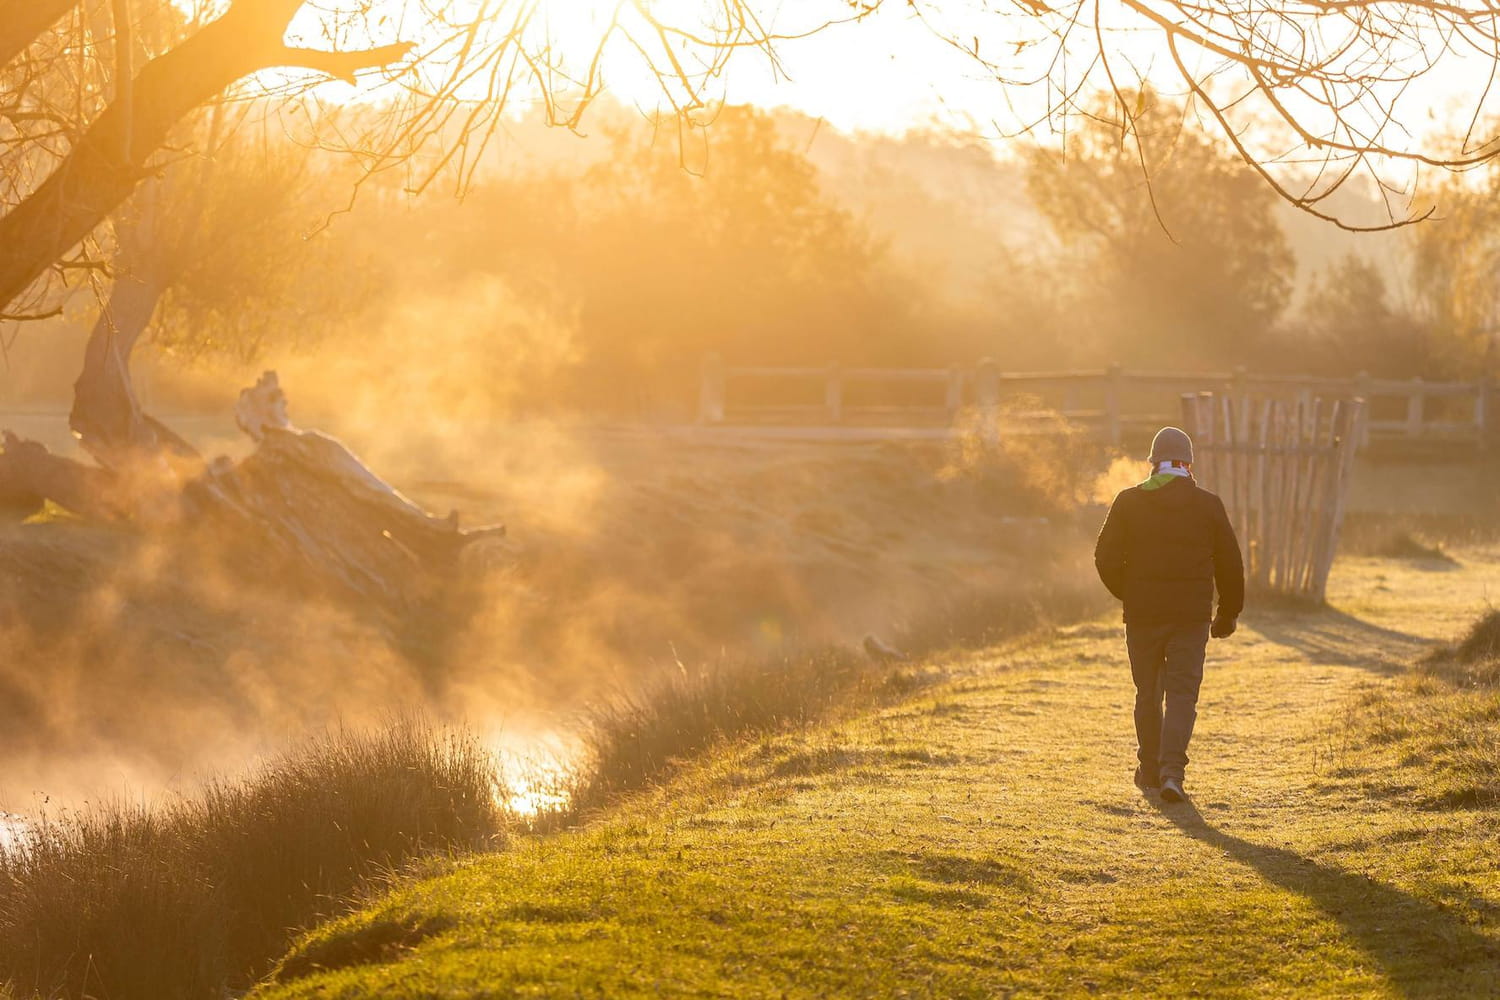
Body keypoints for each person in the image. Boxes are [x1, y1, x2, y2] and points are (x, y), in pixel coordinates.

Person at [1094, 426, 1244, 803]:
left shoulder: (1128, 501)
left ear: (1153, 464)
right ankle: (1172, 774)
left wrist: (1129, 593)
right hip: (1191, 617)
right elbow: (1230, 563)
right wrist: (1227, 614)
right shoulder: (1208, 504)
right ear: (1188, 465)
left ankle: (1149, 769)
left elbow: (1104, 558)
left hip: (1143, 615)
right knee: (1181, 695)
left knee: (1148, 693)